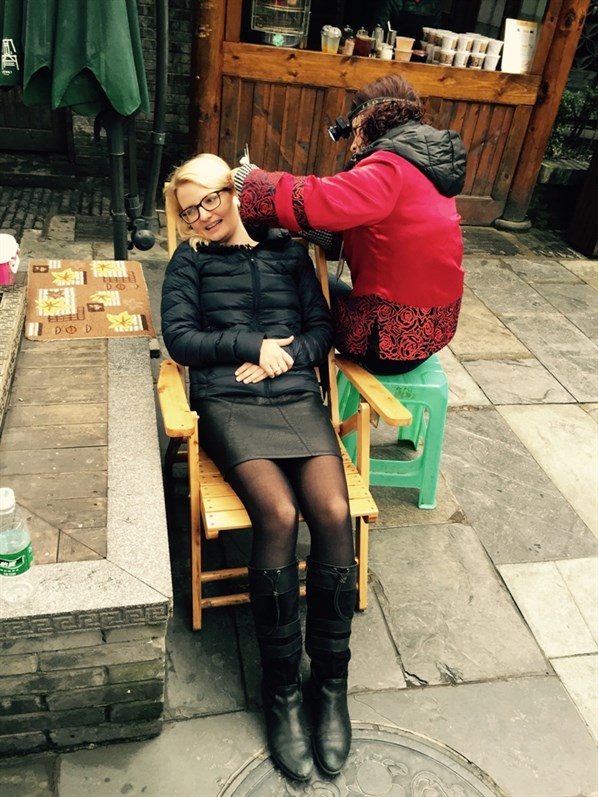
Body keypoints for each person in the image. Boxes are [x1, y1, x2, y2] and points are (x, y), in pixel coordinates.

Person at [161, 154, 358, 782]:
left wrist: (287, 357)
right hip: (229, 401)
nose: (203, 216)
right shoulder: (188, 263)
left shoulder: (289, 253)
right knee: (277, 513)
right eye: (189, 210)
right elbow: (180, 339)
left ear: (233, 192)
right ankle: (283, 690)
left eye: (210, 199)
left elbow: (322, 328)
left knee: (334, 512)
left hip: (295, 395)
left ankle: (331, 683)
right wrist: (253, 346)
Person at [234, 73, 466, 376]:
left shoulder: (391, 167)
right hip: (427, 334)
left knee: (289, 282)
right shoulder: (423, 166)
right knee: (313, 281)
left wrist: (249, 180)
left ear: (372, 120)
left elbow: (317, 198)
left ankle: (277, 368)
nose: (354, 145)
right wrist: (305, 228)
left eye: (356, 132)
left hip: (385, 344)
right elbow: (379, 236)